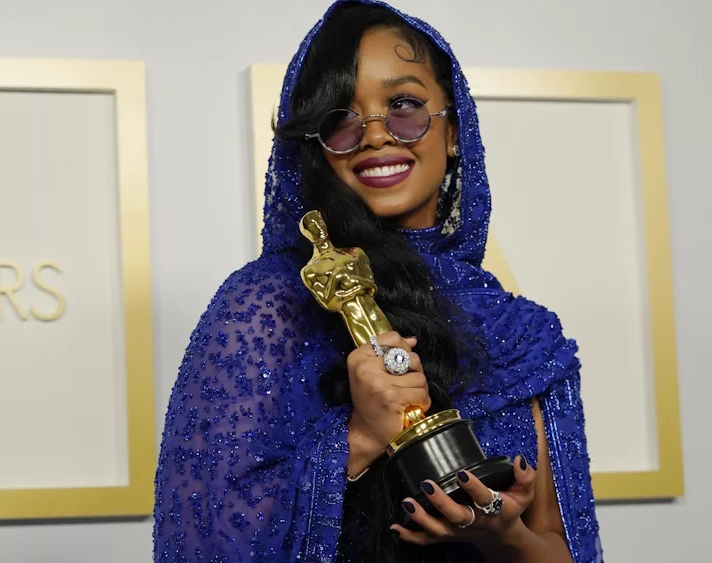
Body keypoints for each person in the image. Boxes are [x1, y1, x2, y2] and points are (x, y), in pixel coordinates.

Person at [152, 1, 602, 561]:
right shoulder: (267, 306)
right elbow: (202, 538)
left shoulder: (528, 337)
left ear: (455, 129)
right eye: (340, 118)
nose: (375, 136)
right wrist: (361, 438)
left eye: (405, 105)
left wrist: (502, 535)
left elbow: (566, 548)